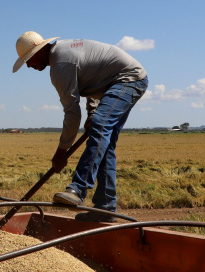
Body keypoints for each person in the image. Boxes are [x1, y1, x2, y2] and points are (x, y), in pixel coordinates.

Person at [12, 31, 148, 221]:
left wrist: (62, 150)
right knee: (105, 144)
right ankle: (106, 209)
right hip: (115, 82)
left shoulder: (61, 65)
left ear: (40, 51)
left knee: (100, 126)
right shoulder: (63, 54)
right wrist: (92, 111)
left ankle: (78, 189)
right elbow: (93, 79)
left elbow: (72, 113)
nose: (28, 64)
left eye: (29, 59)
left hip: (128, 79)